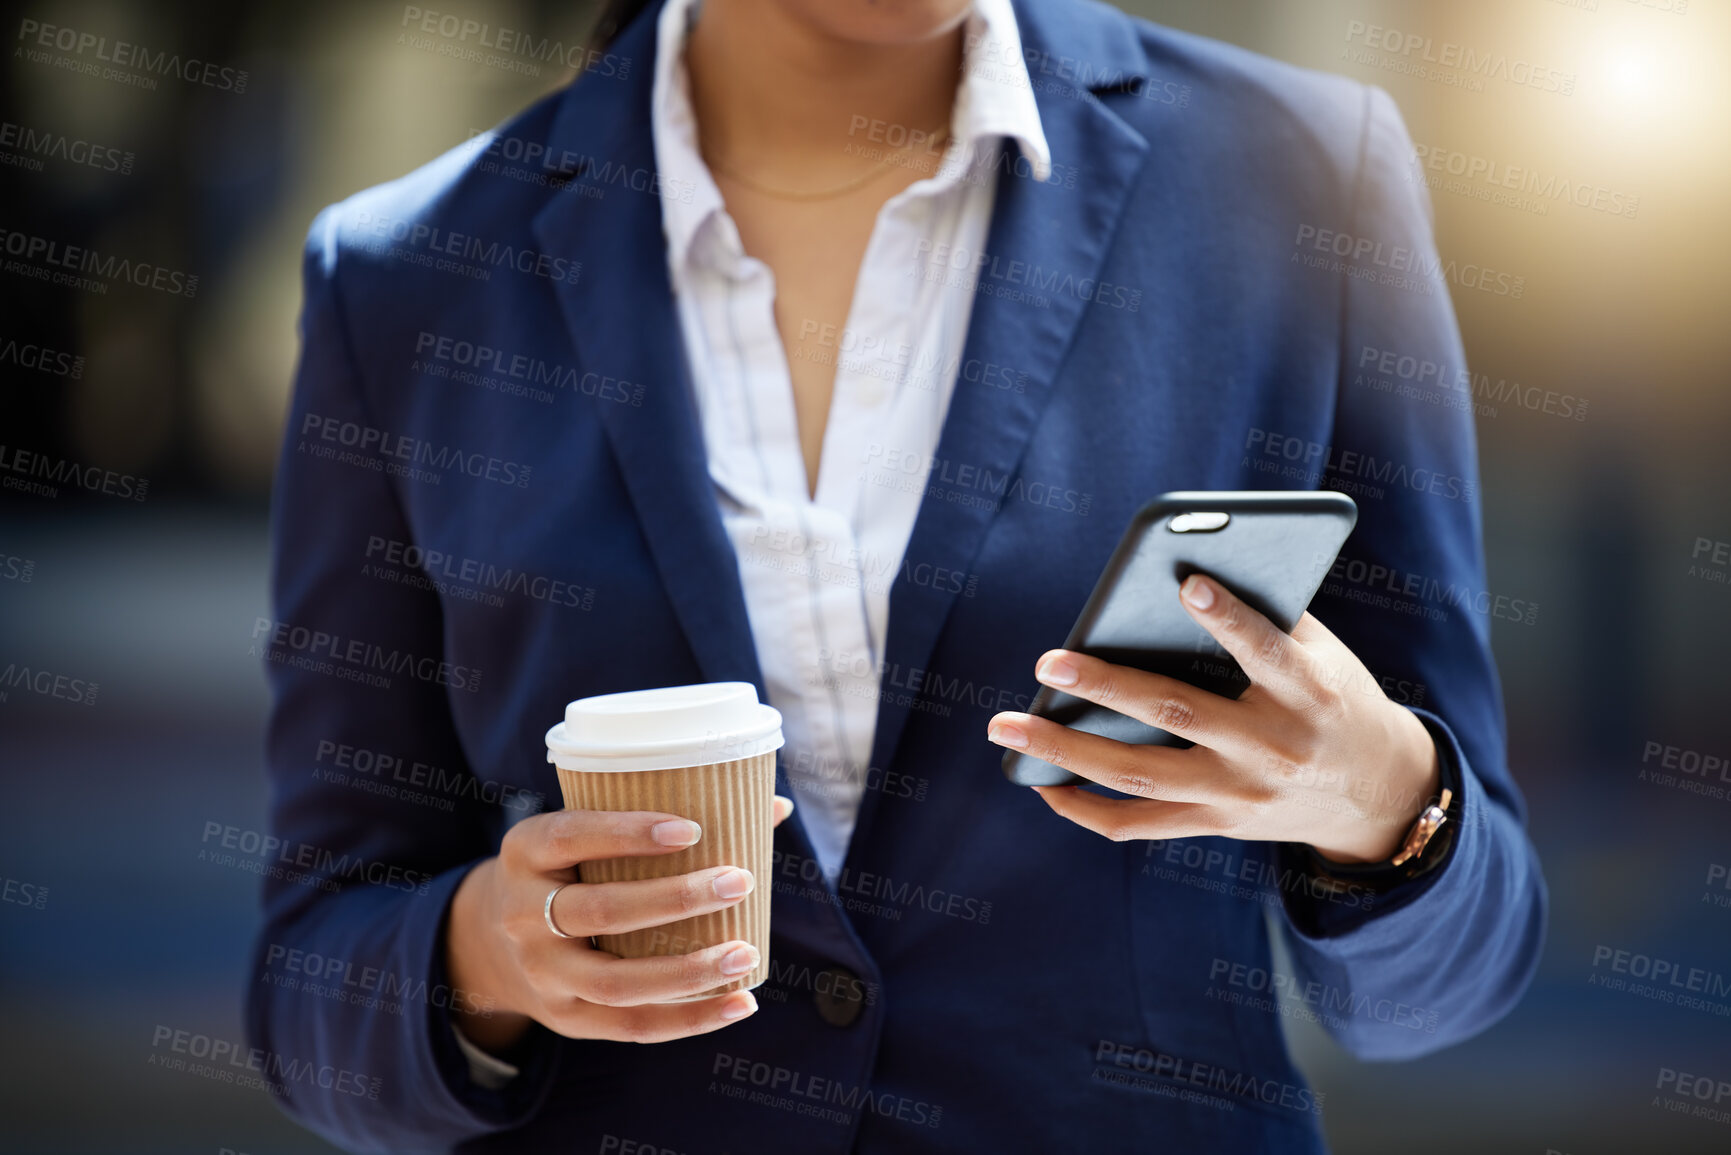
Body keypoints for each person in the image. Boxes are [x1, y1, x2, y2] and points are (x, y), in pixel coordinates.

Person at [249, 0, 1547, 1150]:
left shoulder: (1307, 175)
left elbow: (1457, 977)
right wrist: (486, 954)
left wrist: (1386, 805)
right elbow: (310, 979)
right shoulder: (410, 276)